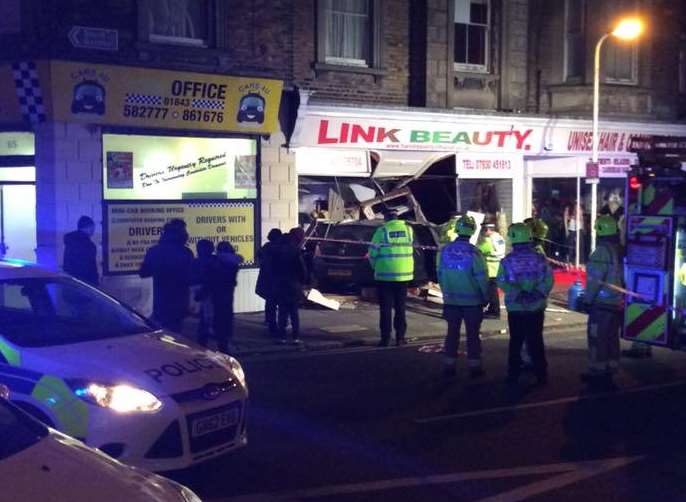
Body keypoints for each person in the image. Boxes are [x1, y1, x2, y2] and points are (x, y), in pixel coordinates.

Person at [497, 223, 554, 386]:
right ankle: (541, 374)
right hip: (535, 308)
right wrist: (536, 294)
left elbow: (502, 281)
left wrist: (517, 294)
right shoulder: (540, 259)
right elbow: (549, 280)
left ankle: (513, 373)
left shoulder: (507, 261)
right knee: (535, 340)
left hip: (516, 308)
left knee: (516, 341)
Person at [438, 215, 489, 378]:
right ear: (473, 231)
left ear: (458, 229)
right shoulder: (475, 253)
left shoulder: (444, 250)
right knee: (473, 335)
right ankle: (475, 367)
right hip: (473, 302)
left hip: (451, 301)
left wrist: (446, 293)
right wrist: (485, 297)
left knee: (452, 334)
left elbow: (439, 275)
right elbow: (482, 278)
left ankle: (449, 366)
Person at [580, 215, 624, 388]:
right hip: (615, 304)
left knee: (597, 338)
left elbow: (594, 280)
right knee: (612, 338)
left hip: (601, 304)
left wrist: (587, 299)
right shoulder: (617, 251)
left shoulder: (600, 252)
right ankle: (610, 370)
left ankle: (597, 372)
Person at [368, 210, 414, 347]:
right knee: (400, 307)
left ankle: (385, 339)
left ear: (386, 218)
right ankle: (400, 338)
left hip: (385, 275)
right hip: (404, 275)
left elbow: (372, 252)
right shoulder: (408, 229)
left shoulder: (382, 231)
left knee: (385, 309)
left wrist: (374, 266)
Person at [139, 219, 194, 333]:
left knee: (162, 333)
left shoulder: (154, 251)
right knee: (176, 335)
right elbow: (192, 277)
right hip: (179, 301)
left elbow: (144, 273)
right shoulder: (186, 252)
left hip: (161, 302)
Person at [206, 241, 243, 353]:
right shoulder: (233, 262)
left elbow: (211, 279)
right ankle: (224, 345)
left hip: (216, 293)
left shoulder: (216, 262)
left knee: (216, 318)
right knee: (226, 319)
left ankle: (218, 343)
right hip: (228, 293)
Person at [273, 228, 307, 344]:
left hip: (281, 284)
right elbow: (301, 269)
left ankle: (281, 336)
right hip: (293, 284)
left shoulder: (279, 250)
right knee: (293, 312)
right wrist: (303, 281)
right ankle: (295, 337)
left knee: (282, 312)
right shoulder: (295, 251)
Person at [255, 228, 282, 336]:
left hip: (266, 277)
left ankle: (269, 321)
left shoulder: (266, 247)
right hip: (275, 278)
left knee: (270, 301)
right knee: (275, 302)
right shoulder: (278, 249)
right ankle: (273, 326)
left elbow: (259, 256)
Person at [477, 222, 506, 319]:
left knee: (491, 292)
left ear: (487, 230)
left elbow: (478, 250)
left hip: (490, 269)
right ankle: (492, 309)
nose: (482, 232)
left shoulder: (488, 241)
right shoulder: (499, 238)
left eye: (483, 230)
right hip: (496, 268)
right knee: (492, 291)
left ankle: (494, 312)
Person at [191, 239, 216, 344]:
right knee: (206, 316)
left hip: (205, 291)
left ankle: (203, 339)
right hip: (206, 291)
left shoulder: (197, 262)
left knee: (205, 316)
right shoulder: (214, 260)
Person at [63, 215, 99, 286]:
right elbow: (91, 265)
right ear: (88, 227)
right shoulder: (88, 245)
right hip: (86, 283)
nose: (93, 230)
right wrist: (95, 282)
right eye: (92, 227)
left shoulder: (70, 241)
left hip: (71, 282)